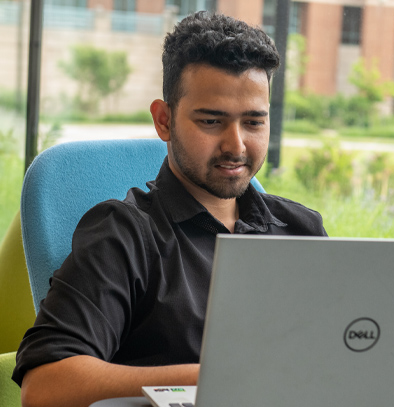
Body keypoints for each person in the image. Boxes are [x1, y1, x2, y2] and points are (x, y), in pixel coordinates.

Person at [13, 11, 326, 407]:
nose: (236, 145)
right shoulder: (123, 234)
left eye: (253, 122)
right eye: (211, 121)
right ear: (164, 120)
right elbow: (46, 386)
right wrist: (218, 376)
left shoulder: (301, 229)